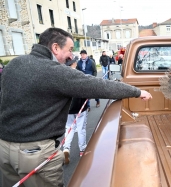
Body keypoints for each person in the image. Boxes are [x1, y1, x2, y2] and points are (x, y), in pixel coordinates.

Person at [0, 27, 152, 187]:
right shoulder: (54, 72)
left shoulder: (14, 64)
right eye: (70, 49)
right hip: (34, 154)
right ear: (55, 47)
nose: (71, 56)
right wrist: (136, 91)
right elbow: (97, 86)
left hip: (4, 148)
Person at [63, 57, 87, 164]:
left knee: (69, 128)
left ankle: (66, 148)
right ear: (73, 64)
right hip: (80, 107)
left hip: (68, 109)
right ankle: (82, 149)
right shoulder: (78, 75)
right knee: (81, 128)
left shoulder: (61, 75)